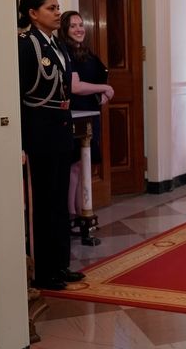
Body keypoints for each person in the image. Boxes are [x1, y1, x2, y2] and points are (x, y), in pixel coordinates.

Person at [17, 0, 85, 290]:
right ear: (33, 13)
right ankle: (45, 272)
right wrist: (18, 141)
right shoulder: (27, 45)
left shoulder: (57, 44)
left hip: (60, 128)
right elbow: (19, 95)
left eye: (58, 7)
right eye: (50, 8)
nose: (58, 13)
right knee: (44, 205)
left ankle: (60, 265)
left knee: (58, 202)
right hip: (40, 131)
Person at [58, 11, 115, 217]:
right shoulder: (65, 52)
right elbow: (74, 86)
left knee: (82, 165)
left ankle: (81, 211)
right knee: (74, 166)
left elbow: (98, 79)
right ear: (64, 29)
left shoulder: (86, 52)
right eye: (73, 26)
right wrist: (104, 88)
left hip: (90, 113)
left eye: (81, 24)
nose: (79, 29)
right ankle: (73, 214)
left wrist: (104, 94)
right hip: (75, 115)